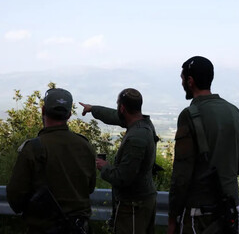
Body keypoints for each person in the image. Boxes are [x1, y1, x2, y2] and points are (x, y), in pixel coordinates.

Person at [167, 56, 239, 234]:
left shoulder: (189, 115)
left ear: (190, 81)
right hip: (230, 213)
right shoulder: (235, 112)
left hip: (198, 216)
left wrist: (172, 218)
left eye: (182, 79)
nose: (182, 83)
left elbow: (181, 175)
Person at [7, 88, 97, 234]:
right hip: (79, 229)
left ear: (43, 110)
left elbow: (15, 198)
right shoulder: (85, 146)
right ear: (69, 114)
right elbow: (90, 188)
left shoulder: (32, 149)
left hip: (42, 229)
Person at [80, 88, 157, 234]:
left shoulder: (136, 138)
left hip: (134, 205)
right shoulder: (142, 123)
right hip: (142, 201)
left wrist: (104, 167)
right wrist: (93, 109)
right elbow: (114, 116)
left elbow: (123, 178)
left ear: (122, 108)